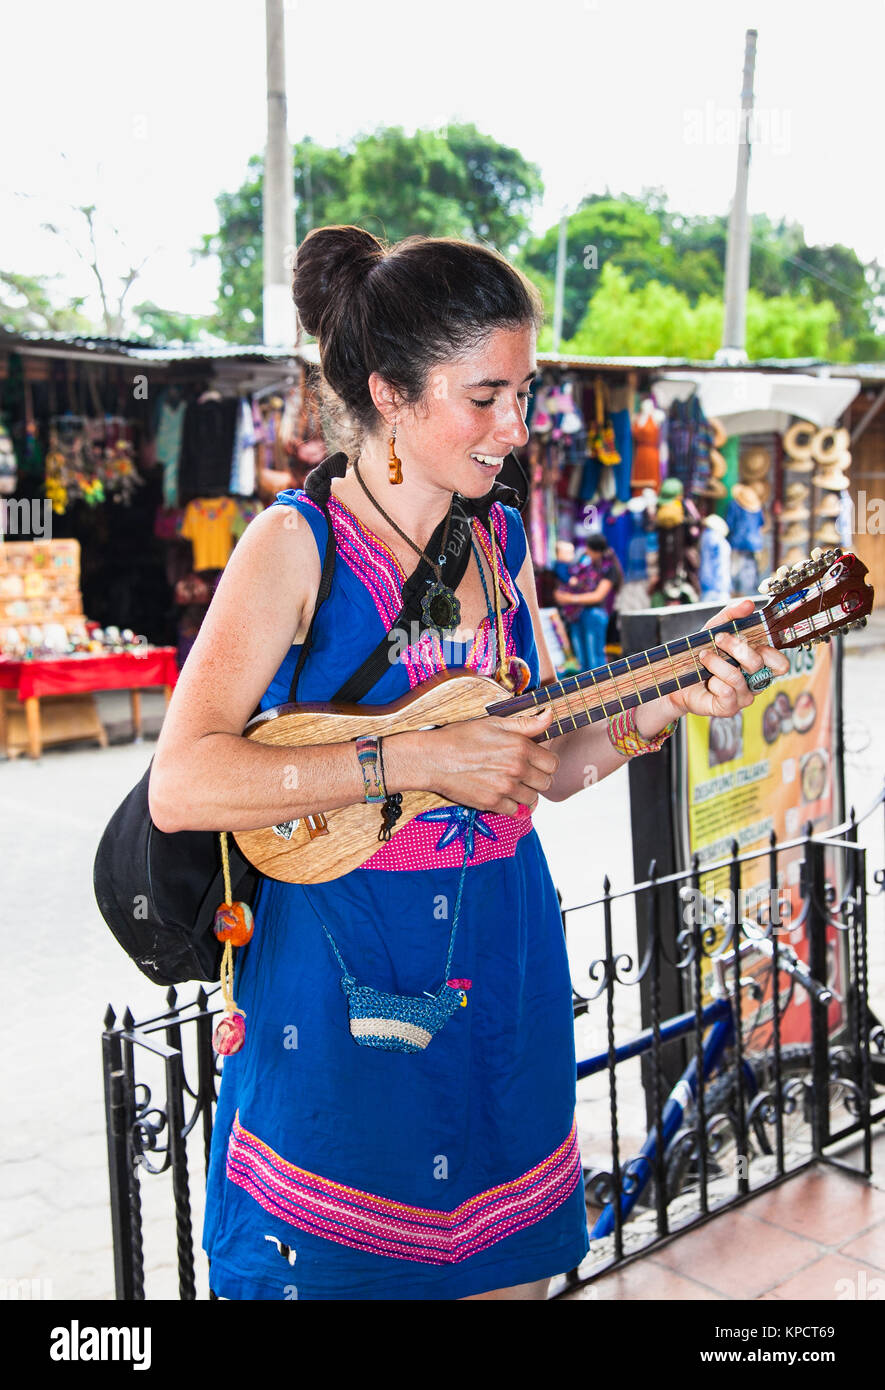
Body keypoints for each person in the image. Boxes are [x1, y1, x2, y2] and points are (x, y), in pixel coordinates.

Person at [147, 224, 790, 1302]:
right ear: (390, 391)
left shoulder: (498, 545)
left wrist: (662, 704)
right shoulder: (293, 545)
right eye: (484, 396)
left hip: (501, 960)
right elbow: (186, 781)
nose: (517, 427)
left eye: (524, 393)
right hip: (342, 975)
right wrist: (420, 757)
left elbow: (529, 770)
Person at [553, 533, 623, 672]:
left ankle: (602, 691)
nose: (586, 551)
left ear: (595, 550)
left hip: (594, 615)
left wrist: (569, 599)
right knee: (583, 662)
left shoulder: (609, 569)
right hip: (576, 615)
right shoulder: (585, 565)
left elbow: (598, 596)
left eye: (588, 549)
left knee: (594, 660)